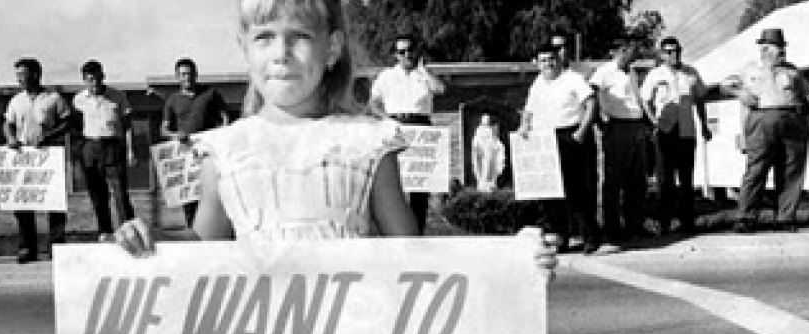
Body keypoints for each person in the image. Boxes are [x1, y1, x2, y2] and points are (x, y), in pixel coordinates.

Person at [114, 0, 557, 278]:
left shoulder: (366, 143)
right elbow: (203, 248)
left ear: (332, 48)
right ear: (244, 48)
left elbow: (412, 252)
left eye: (300, 37)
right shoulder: (224, 150)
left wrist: (509, 263)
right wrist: (145, 238)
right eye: (264, 37)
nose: (281, 54)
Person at [720, 28, 809, 233]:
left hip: (792, 120)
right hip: (761, 119)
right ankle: (746, 217)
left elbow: (805, 94)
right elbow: (724, 85)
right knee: (756, 169)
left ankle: (785, 218)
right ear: (765, 49)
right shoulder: (749, 70)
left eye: (782, 47)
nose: (782, 52)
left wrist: (804, 122)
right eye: (778, 48)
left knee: (791, 169)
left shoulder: (792, 71)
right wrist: (740, 92)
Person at [518, 44, 601, 254]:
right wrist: (524, 127)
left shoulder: (573, 79)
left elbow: (591, 104)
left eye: (551, 59)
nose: (548, 63)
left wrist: (582, 130)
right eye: (543, 60)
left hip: (570, 135)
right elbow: (528, 111)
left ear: (559, 59)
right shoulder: (537, 83)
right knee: (551, 192)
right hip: (545, 140)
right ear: (537, 63)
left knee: (577, 191)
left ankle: (590, 238)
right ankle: (560, 238)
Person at [368, 32, 446, 234]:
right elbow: (373, 103)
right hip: (396, 126)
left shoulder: (424, 75)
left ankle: (418, 234)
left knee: (420, 190)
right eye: (402, 51)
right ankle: (397, 235)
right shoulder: (386, 76)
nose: (407, 54)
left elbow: (440, 90)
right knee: (397, 185)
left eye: (410, 50)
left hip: (421, 129)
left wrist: (424, 71)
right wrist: (387, 120)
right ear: (396, 55)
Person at [3, 58, 73, 263]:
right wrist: (11, 138)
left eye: (23, 75)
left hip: (48, 155)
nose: (19, 80)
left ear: (36, 74)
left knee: (55, 203)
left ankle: (57, 245)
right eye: (17, 76)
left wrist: (50, 136)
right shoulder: (16, 100)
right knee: (23, 202)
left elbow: (68, 122)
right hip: (25, 157)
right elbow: (8, 123)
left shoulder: (53, 98)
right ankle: (27, 248)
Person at [640, 37, 711, 237]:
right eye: (669, 52)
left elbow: (700, 100)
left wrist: (704, 125)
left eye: (677, 51)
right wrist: (654, 122)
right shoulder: (655, 75)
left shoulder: (691, 73)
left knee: (687, 180)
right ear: (662, 55)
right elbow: (645, 101)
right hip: (665, 131)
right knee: (665, 181)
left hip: (687, 131)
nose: (674, 55)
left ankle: (687, 223)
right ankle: (664, 223)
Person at [589, 38, 651, 242]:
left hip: (636, 125)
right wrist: (601, 123)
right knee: (615, 179)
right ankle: (612, 228)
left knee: (637, 179)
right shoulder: (604, 72)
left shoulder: (632, 72)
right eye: (630, 50)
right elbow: (594, 95)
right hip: (618, 126)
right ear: (620, 51)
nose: (633, 53)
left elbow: (637, 100)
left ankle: (635, 225)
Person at [159, 57, 230, 226]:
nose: (187, 77)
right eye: (182, 74)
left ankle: (214, 230)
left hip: (207, 152)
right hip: (185, 154)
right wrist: (175, 135)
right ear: (177, 77)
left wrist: (220, 135)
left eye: (190, 73)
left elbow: (225, 117)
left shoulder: (211, 94)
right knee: (190, 198)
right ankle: (192, 231)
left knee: (212, 192)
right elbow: (163, 129)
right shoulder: (172, 100)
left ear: (196, 74)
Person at [73, 60, 136, 241]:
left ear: (103, 77)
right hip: (90, 147)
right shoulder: (78, 100)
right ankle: (105, 232)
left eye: (98, 78)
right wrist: (81, 151)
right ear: (84, 81)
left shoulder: (117, 96)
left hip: (113, 146)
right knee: (98, 195)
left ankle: (129, 232)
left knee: (120, 193)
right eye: (90, 80)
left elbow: (128, 126)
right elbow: (76, 128)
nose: (95, 83)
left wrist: (131, 151)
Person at [471, 114, 505, 192]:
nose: (486, 121)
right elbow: (475, 141)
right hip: (482, 153)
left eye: (488, 119)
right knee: (483, 167)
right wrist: (476, 148)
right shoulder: (479, 130)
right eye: (485, 119)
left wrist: (499, 147)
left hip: (491, 152)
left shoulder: (491, 129)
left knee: (491, 167)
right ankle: (483, 182)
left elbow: (495, 140)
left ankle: (490, 182)